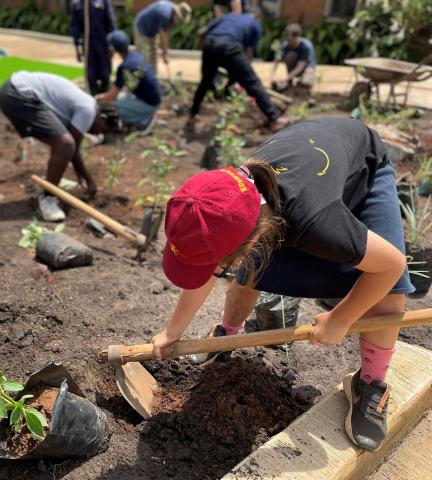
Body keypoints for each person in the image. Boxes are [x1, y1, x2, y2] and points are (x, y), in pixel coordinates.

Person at [152, 117, 413, 453]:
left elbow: (391, 265)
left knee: (389, 294)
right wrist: (174, 331)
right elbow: (210, 268)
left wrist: (341, 318)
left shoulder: (317, 224)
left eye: (219, 262)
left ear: (252, 235)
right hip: (311, 171)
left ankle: (371, 384)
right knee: (249, 273)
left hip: (364, 169)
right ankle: (226, 337)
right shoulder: (231, 197)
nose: (215, 269)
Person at [0, 71, 119, 221]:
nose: (95, 133)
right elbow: (70, 147)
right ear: (102, 117)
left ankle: (52, 186)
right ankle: (48, 198)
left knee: (64, 143)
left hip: (15, 89)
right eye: (102, 130)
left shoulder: (87, 104)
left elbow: (73, 149)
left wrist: (82, 176)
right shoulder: (88, 111)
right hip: (18, 94)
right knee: (64, 144)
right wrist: (88, 179)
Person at [188, 12, 287, 132]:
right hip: (230, 46)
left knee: (205, 82)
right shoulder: (256, 25)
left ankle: (192, 116)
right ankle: (274, 118)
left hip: (210, 43)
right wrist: (246, 73)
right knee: (253, 83)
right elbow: (249, 52)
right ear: (258, 18)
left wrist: (206, 49)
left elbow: (202, 32)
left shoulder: (229, 16)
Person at [96, 31, 162, 132]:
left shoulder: (124, 67)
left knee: (113, 107)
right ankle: (145, 114)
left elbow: (112, 97)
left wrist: (99, 98)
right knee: (121, 98)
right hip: (156, 98)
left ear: (113, 48)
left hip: (149, 103)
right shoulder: (135, 56)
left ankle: (144, 121)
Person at [69, 0, 116, 94]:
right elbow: (75, 27)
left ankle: (104, 98)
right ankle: (94, 98)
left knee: (105, 73)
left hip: (103, 42)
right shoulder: (77, 4)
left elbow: (111, 23)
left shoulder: (104, 2)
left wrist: (112, 45)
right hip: (88, 44)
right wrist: (77, 48)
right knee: (91, 75)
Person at [134, 1, 192, 73]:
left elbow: (165, 32)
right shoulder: (165, 15)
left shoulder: (171, 10)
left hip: (152, 30)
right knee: (143, 56)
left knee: (153, 56)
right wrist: (165, 54)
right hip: (142, 27)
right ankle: (142, 79)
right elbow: (163, 36)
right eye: (180, 19)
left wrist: (165, 51)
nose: (179, 22)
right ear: (177, 14)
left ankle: (153, 78)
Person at [270, 23, 317, 92]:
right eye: (287, 39)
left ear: (297, 37)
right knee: (290, 56)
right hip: (293, 65)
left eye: (290, 40)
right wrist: (272, 76)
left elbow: (300, 67)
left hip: (307, 67)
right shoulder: (285, 45)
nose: (288, 42)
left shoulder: (305, 46)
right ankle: (290, 82)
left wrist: (285, 79)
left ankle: (300, 84)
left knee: (307, 83)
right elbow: (276, 59)